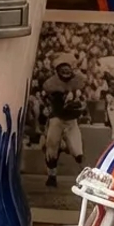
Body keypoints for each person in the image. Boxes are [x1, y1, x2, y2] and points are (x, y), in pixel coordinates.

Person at [41, 53, 87, 188]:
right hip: (57, 119)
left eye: (68, 69)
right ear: (57, 70)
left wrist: (80, 105)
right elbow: (49, 99)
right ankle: (52, 176)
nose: (66, 72)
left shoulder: (79, 81)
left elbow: (82, 100)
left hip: (72, 121)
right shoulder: (51, 84)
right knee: (52, 149)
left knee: (78, 152)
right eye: (62, 69)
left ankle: (86, 178)